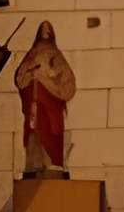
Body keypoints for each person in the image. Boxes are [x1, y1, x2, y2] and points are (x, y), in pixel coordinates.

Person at [13, 20, 76, 174]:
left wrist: (48, 76)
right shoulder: (32, 54)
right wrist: (31, 74)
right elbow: (21, 78)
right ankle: (34, 164)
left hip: (50, 103)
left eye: (48, 29)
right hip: (34, 104)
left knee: (49, 131)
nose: (45, 32)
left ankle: (51, 163)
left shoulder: (56, 55)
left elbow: (66, 80)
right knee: (34, 131)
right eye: (43, 29)